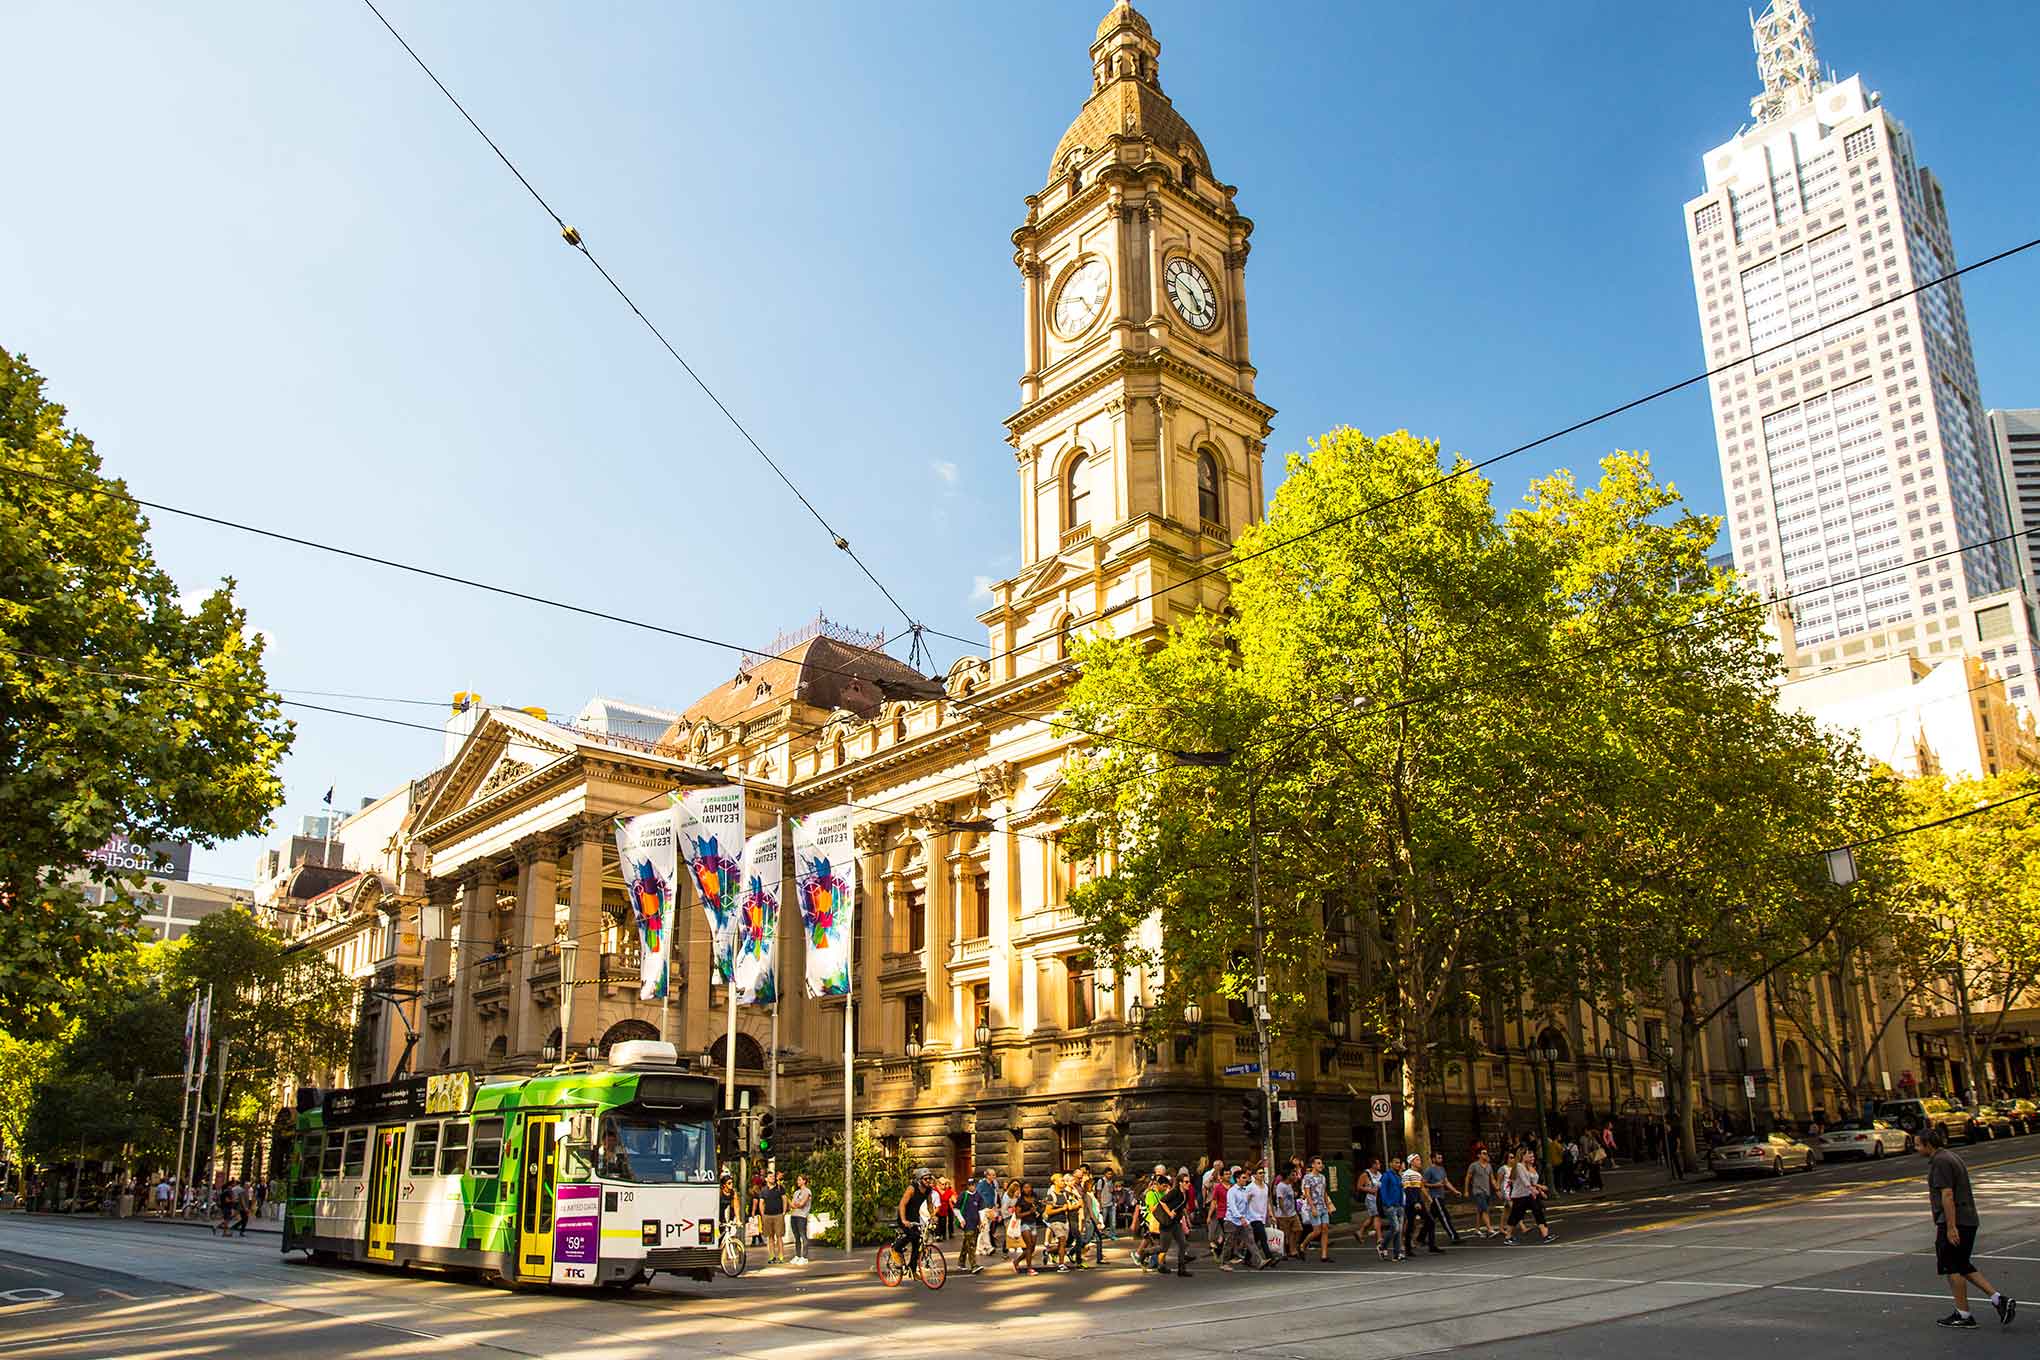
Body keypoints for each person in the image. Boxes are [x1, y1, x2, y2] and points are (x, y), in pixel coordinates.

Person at [1917, 1128, 2015, 1328]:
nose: (1916, 1148)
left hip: (1956, 1220)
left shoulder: (1941, 1162)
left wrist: (1951, 1227)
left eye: (1918, 1144)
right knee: (1962, 1264)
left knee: (1952, 1266)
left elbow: (1947, 1195)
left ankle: (1963, 1315)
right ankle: (1998, 1300)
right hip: (1966, 1219)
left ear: (1929, 1144)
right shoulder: (1949, 1156)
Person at [1500, 1147, 1554, 1245]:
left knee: (1538, 1212)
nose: (1529, 1156)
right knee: (1515, 1216)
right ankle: (1508, 1237)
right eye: (1527, 1154)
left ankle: (1545, 1235)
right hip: (1519, 1196)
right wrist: (1533, 1189)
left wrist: (1538, 1190)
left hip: (1528, 1195)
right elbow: (1525, 1181)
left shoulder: (1526, 1166)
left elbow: (1531, 1181)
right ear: (1522, 1155)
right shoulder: (1519, 1166)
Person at [894, 1169, 935, 1276]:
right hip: (904, 1216)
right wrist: (903, 1220)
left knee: (918, 1243)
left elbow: (930, 1204)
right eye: (926, 1179)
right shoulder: (912, 1188)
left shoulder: (928, 1190)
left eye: (929, 1178)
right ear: (920, 1179)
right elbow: (902, 1204)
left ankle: (912, 1269)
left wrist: (933, 1215)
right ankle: (896, 1249)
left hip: (915, 1217)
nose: (928, 1181)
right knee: (912, 1236)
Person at [1423, 1153, 1462, 1245]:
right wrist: (1434, 1185)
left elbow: (1446, 1182)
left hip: (1441, 1196)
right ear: (1433, 1159)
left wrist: (1455, 1191)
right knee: (1445, 1217)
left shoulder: (1442, 1169)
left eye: (1441, 1158)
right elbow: (1424, 1184)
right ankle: (1454, 1236)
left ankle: (1421, 1236)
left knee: (1430, 1219)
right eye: (1438, 1158)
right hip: (1435, 1197)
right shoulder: (1429, 1170)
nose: (1441, 1159)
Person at [1373, 1156, 1406, 1262]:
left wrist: (1402, 1204)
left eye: (1399, 1163)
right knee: (1395, 1228)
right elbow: (1382, 1191)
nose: (1398, 1164)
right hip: (1390, 1206)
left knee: (1398, 1230)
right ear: (1390, 1163)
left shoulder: (1398, 1176)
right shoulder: (1386, 1176)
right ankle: (1382, 1245)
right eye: (1396, 1162)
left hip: (1399, 1205)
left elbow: (1400, 1190)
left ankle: (1396, 1254)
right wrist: (1387, 1204)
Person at [1299, 1157, 1333, 1262]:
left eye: (1321, 1163)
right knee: (1317, 1231)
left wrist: (1328, 1206)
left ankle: (1324, 1255)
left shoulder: (1323, 1177)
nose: (1320, 1165)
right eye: (1318, 1163)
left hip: (1323, 1206)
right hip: (1314, 1207)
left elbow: (1324, 1192)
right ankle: (1303, 1245)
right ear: (1313, 1165)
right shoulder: (1307, 1177)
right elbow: (1307, 1194)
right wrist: (1312, 1208)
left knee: (1325, 1228)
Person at [1010, 1179, 1041, 1274]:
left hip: (1033, 1223)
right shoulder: (1020, 1200)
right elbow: (1018, 1215)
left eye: (1029, 1187)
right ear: (1022, 1189)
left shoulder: (1035, 1197)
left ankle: (1016, 1261)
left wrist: (1038, 1210)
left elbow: (1039, 1207)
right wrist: (1029, 1212)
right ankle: (1029, 1268)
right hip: (1024, 1224)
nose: (1028, 1189)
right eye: (1025, 1188)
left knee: (1032, 1248)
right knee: (1028, 1246)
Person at [1466, 1148, 1497, 1238]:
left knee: (1480, 1210)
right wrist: (1466, 1190)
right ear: (1478, 1155)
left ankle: (1477, 1229)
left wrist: (1496, 1188)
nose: (1486, 1155)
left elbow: (1492, 1178)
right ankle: (1489, 1229)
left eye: (1486, 1153)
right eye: (1483, 1153)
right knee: (1484, 1209)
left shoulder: (1489, 1166)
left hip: (1487, 1191)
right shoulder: (1474, 1165)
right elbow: (1468, 1177)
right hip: (1478, 1191)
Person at [1273, 1167, 1302, 1260]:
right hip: (1283, 1215)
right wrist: (1284, 1212)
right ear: (1288, 1176)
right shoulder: (1281, 1186)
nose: (1294, 1176)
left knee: (1298, 1229)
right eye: (1292, 1175)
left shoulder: (1290, 1185)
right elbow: (1280, 1200)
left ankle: (1292, 1248)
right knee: (1284, 1234)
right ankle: (1284, 1252)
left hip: (1292, 1213)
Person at [758, 1171, 787, 1265]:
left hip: (778, 1215)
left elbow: (784, 1199)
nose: (772, 1178)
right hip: (767, 1216)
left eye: (773, 1176)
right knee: (770, 1237)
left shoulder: (779, 1188)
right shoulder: (763, 1190)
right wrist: (763, 1215)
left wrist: (783, 1212)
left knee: (779, 1236)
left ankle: (781, 1256)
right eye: (770, 1176)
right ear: (766, 1179)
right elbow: (761, 1203)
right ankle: (771, 1256)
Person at [788, 1173, 812, 1265]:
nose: (797, 1182)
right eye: (797, 1180)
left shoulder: (807, 1191)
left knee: (803, 1236)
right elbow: (793, 1205)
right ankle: (797, 1255)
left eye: (799, 1180)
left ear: (804, 1181)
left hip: (802, 1216)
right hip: (794, 1215)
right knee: (796, 1237)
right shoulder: (796, 1192)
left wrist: (796, 1205)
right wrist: (794, 1204)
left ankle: (804, 1257)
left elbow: (802, 1204)